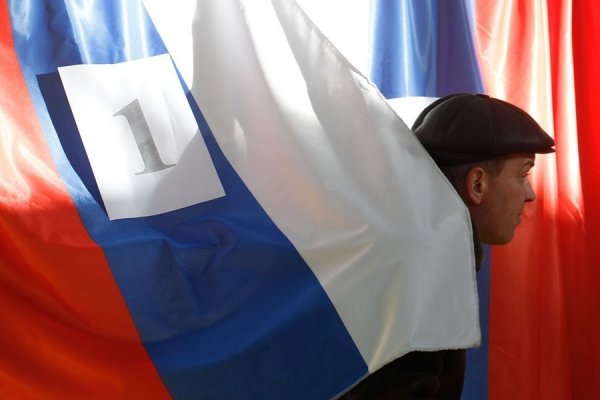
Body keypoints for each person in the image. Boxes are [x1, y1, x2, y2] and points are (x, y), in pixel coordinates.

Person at [341, 93, 555, 399]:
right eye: (523, 174)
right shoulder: (424, 271)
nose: (530, 193)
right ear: (477, 184)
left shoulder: (407, 250)